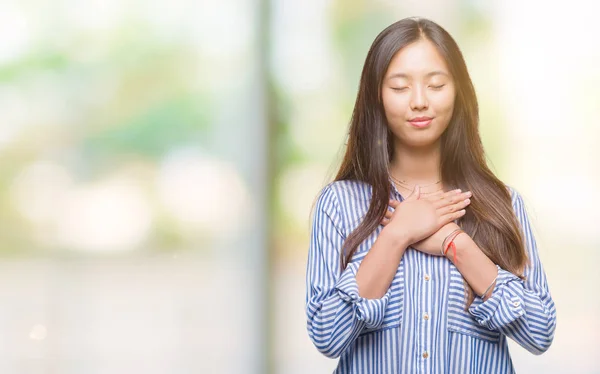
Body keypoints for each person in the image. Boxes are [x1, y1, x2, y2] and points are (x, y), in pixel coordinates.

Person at [305, 17, 556, 373]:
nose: (420, 101)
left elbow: (540, 331)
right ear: (376, 96)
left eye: (436, 84)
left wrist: (457, 244)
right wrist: (395, 235)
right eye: (400, 87)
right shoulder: (340, 204)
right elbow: (327, 336)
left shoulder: (502, 203)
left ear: (459, 92)